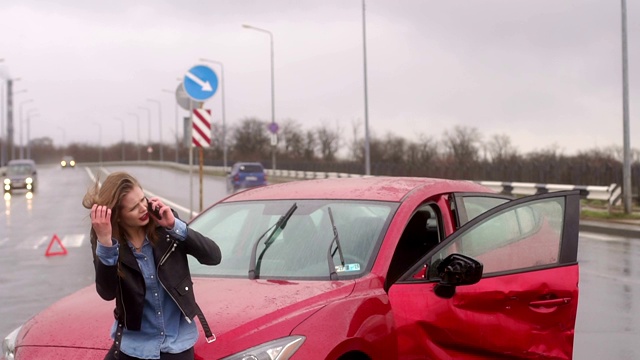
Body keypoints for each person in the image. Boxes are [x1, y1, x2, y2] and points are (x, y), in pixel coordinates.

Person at [82, 172, 221, 360]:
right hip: (134, 349)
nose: (143, 209)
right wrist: (106, 244)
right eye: (134, 208)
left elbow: (213, 256)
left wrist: (174, 225)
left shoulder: (166, 227)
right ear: (118, 216)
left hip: (176, 347)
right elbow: (106, 292)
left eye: (143, 200)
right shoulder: (106, 239)